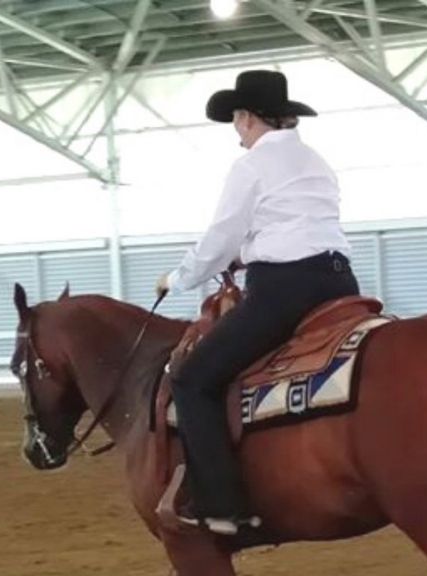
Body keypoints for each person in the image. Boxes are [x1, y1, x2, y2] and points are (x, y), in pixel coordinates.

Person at [155, 70, 360, 535]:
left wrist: (178, 278)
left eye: (236, 120)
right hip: (340, 283)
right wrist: (249, 252)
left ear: (247, 118)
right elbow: (294, 226)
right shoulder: (316, 161)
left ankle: (224, 505)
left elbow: (220, 239)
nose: (236, 132)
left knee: (192, 380)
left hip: (284, 289)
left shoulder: (249, 168)